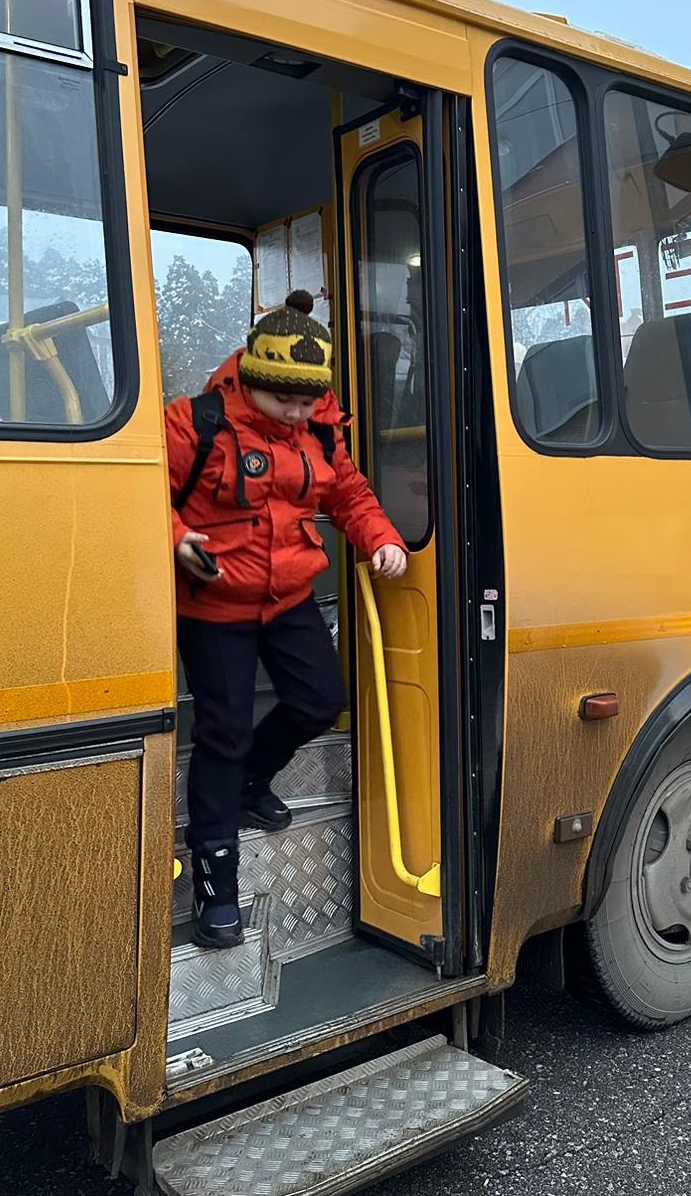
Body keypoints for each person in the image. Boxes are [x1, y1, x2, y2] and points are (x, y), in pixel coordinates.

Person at [166, 289, 408, 950]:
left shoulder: (321, 425)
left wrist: (380, 538)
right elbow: (140, 492)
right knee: (222, 733)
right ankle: (217, 888)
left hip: (289, 594)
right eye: (285, 402)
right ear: (252, 379)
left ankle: (251, 779)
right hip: (214, 604)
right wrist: (176, 538)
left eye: (309, 401)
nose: (299, 414)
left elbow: (347, 491)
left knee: (320, 700)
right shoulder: (195, 423)